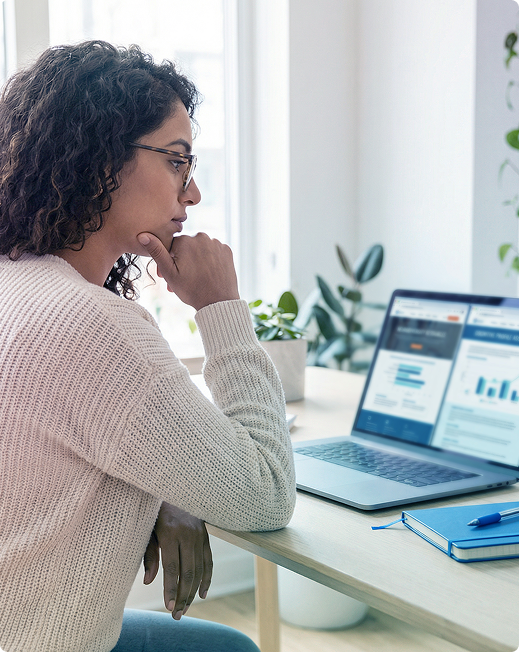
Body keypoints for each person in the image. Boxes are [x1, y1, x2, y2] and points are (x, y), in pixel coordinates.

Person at [0, 40, 296, 652]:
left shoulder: (17, 283)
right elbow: (266, 491)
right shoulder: (92, 328)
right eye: (177, 162)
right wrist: (221, 306)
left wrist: (170, 489)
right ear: (103, 159)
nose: (191, 194)